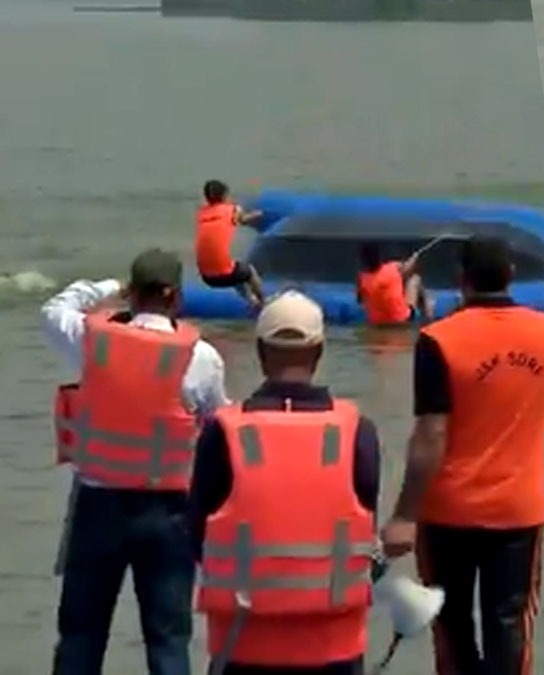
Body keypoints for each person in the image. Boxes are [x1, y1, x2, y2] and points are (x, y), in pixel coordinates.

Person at [380, 236, 544, 675]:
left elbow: (431, 433)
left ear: (462, 279)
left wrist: (404, 515)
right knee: (511, 628)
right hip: (519, 510)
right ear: (511, 276)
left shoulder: (438, 340)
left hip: (448, 512)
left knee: (452, 629)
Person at [43, 248, 229, 675]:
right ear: (175, 297)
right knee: (168, 641)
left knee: (80, 635)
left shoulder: (91, 341)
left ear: (132, 293)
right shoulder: (201, 357)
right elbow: (219, 428)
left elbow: (55, 308)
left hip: (96, 507)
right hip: (169, 512)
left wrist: (107, 287)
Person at [187, 290, 383, 675]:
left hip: (243, 644)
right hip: (334, 647)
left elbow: (197, 535)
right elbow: (365, 528)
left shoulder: (223, 432)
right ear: (319, 351)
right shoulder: (356, 431)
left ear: (260, 352)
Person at [195, 179, 266, 309]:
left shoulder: (201, 213)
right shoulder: (232, 209)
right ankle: (264, 302)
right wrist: (259, 214)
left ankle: (252, 302)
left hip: (205, 275)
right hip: (223, 275)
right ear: (224, 195)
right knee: (249, 271)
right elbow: (243, 220)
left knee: (235, 270)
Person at [356, 242, 434, 326]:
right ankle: (429, 314)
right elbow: (409, 268)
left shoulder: (362, 278)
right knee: (415, 279)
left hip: (377, 323)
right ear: (378, 257)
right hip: (402, 320)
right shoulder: (393, 268)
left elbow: (360, 300)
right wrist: (414, 257)